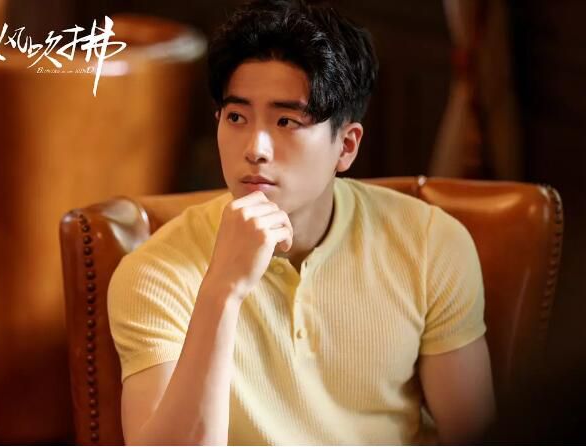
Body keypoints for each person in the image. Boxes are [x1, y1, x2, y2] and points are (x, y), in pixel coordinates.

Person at [108, 0, 496, 444]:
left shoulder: (430, 244)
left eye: (286, 121)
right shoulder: (153, 273)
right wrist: (221, 292)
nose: (255, 148)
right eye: (236, 117)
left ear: (346, 147)